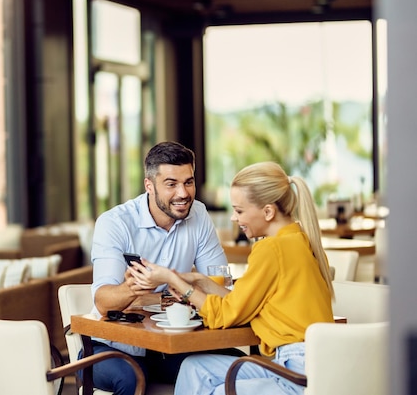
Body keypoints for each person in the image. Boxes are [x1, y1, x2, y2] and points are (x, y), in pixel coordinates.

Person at [131, 161, 334, 395]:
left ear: (268, 212)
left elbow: (226, 315)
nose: (234, 219)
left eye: (239, 210)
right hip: (311, 364)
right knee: (194, 368)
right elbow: (242, 303)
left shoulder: (271, 250)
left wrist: (173, 280)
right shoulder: (300, 241)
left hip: (295, 372)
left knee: (219, 392)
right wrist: (200, 282)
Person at [87, 141, 229, 395]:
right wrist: (134, 287)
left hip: (170, 344)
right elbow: (103, 302)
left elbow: (217, 284)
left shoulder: (199, 214)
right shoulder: (114, 223)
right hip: (112, 347)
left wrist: (182, 285)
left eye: (188, 182)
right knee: (129, 378)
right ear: (149, 186)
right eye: (171, 184)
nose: (183, 193)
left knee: (230, 363)